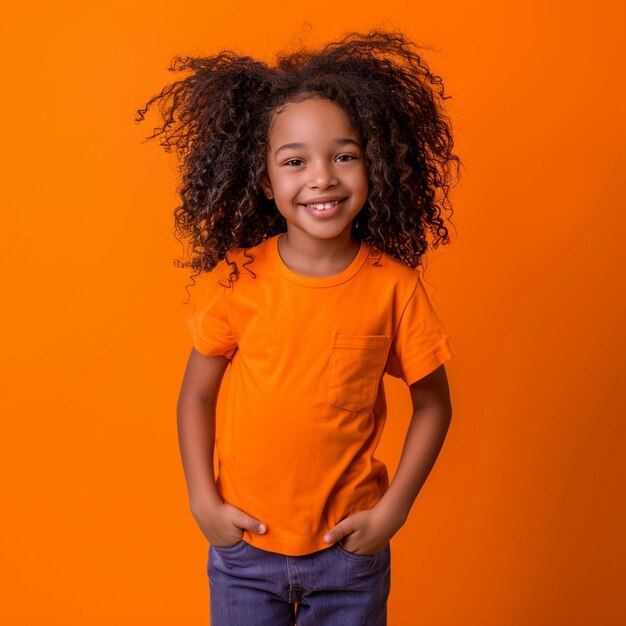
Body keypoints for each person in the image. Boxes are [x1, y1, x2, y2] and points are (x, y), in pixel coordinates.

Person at [136, 27, 461, 626]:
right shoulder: (238, 279)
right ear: (265, 180)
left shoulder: (394, 286)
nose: (323, 178)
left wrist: (393, 512)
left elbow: (434, 404)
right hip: (245, 552)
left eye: (344, 155)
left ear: (375, 165)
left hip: (347, 555)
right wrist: (203, 501)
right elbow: (196, 394)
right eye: (295, 161)